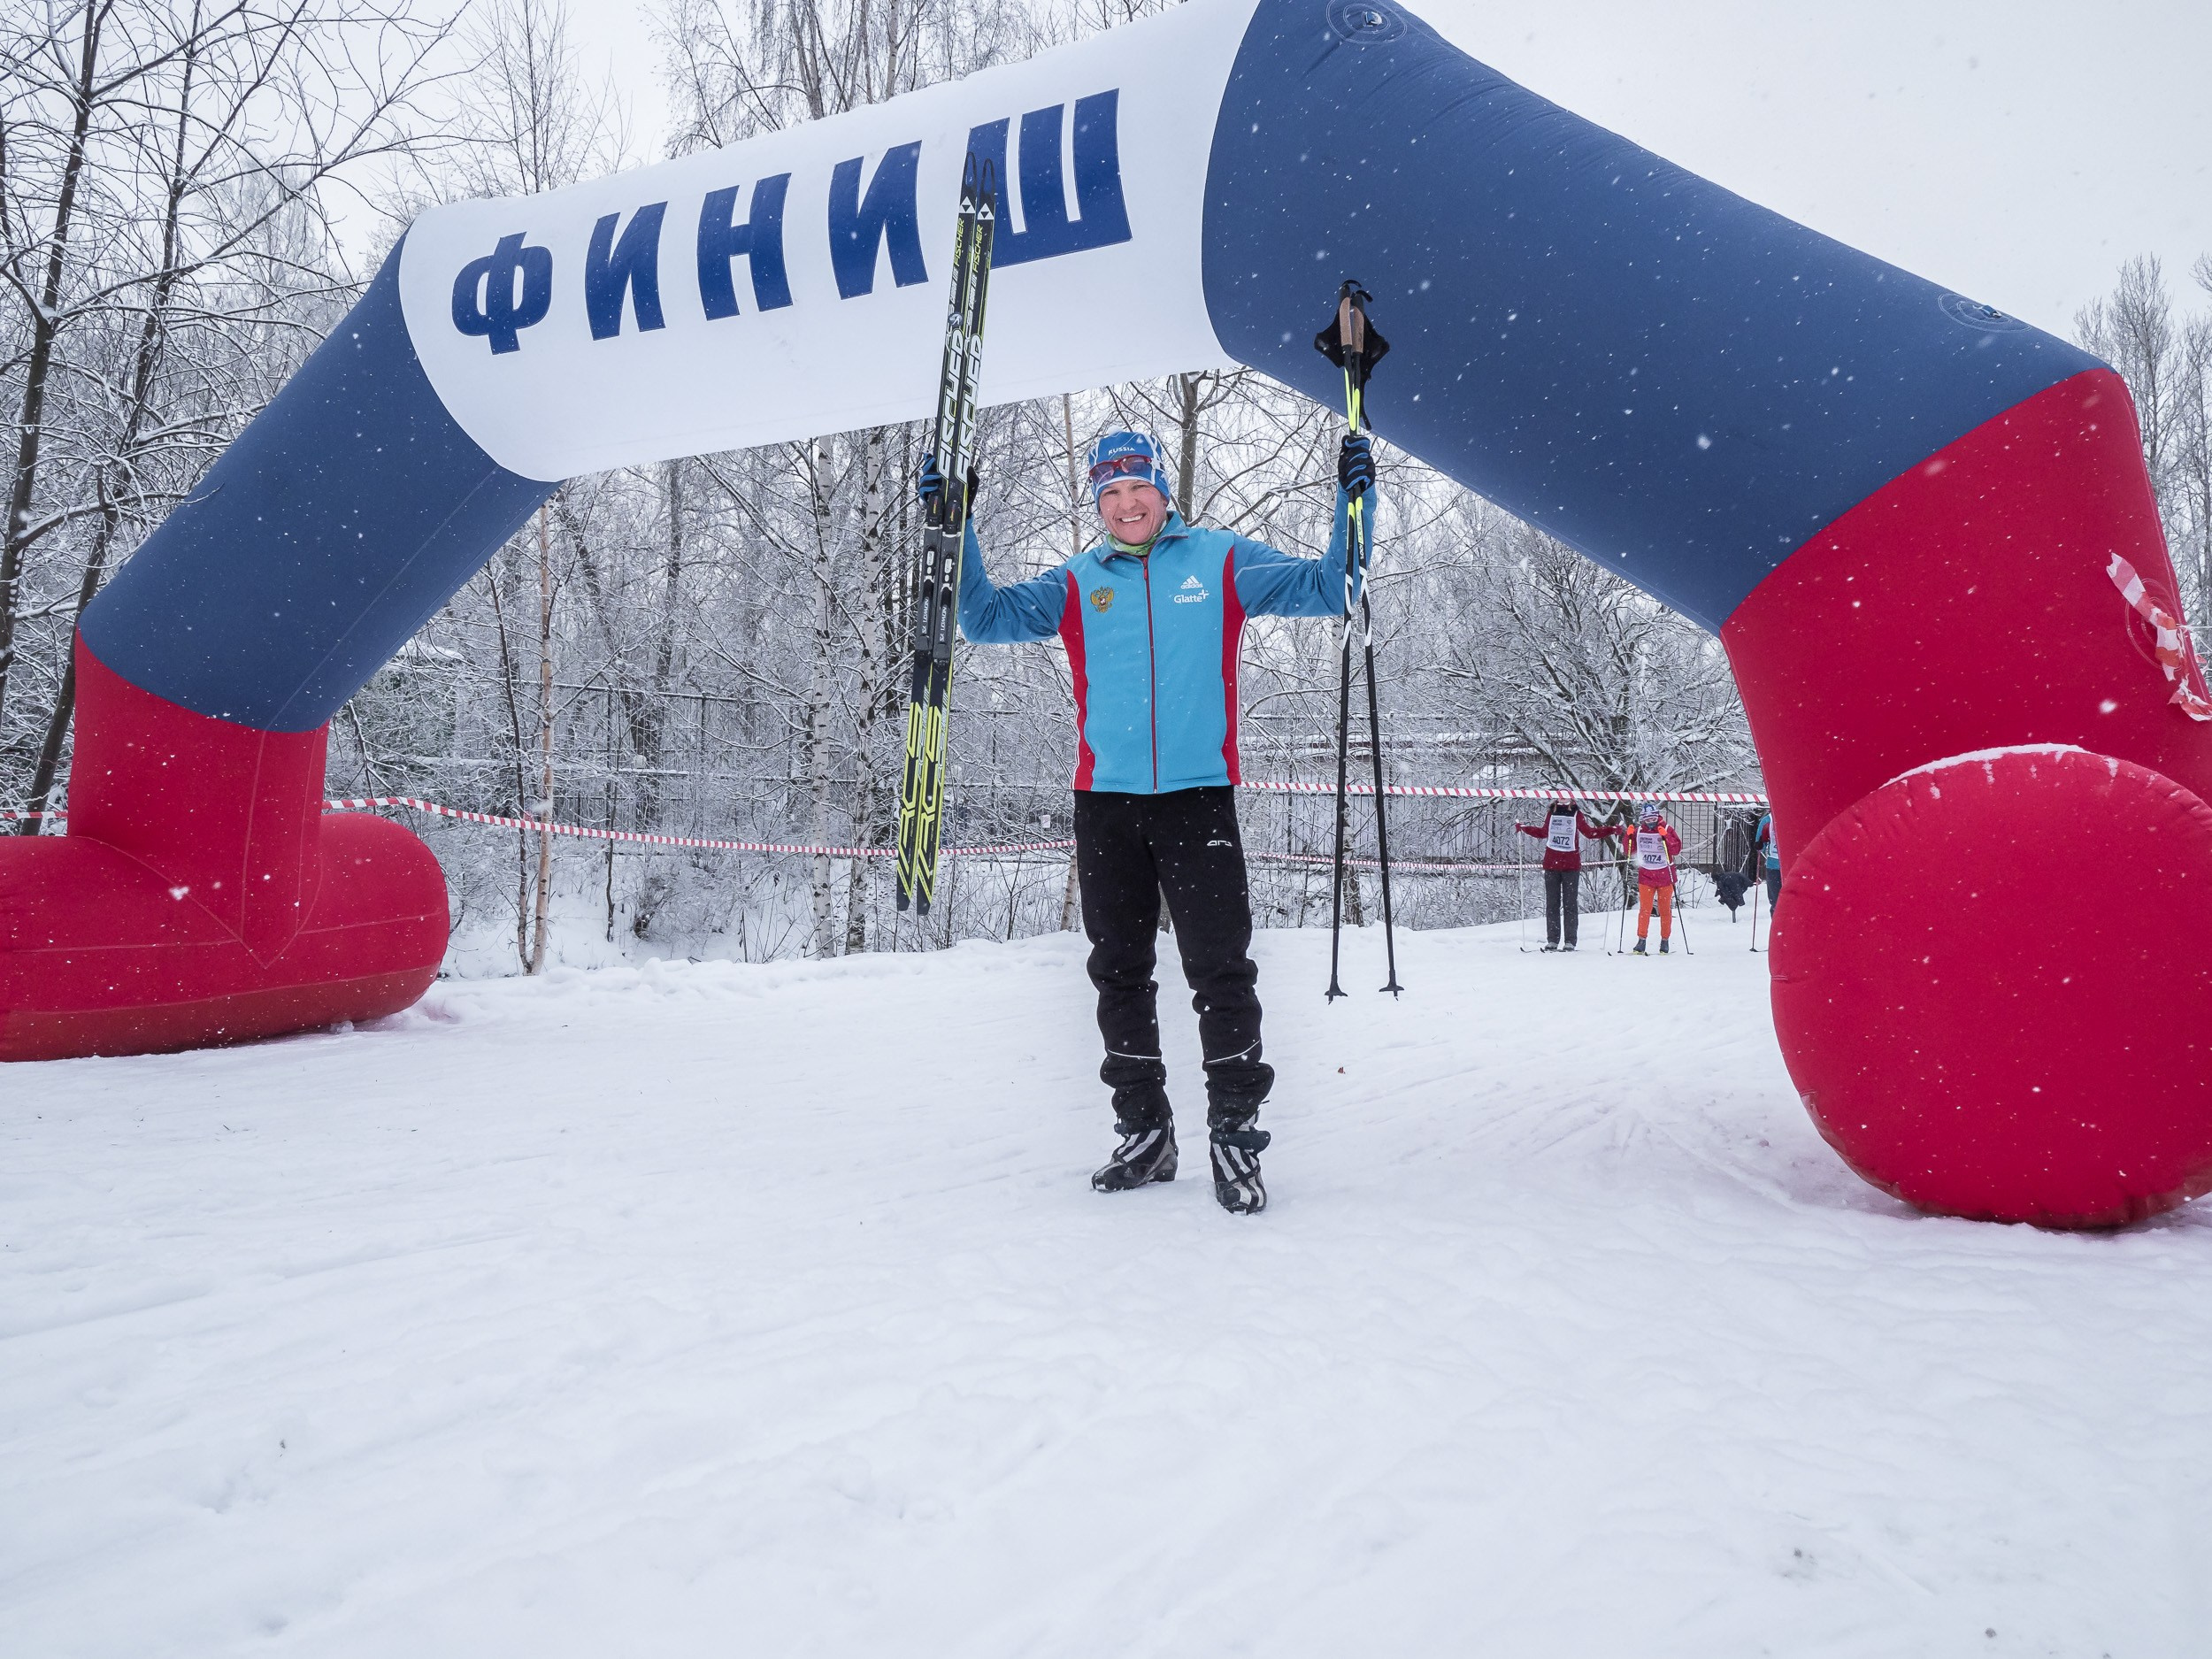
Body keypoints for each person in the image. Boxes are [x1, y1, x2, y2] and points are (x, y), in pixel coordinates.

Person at [924, 427, 1377, 1215]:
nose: (1127, 505)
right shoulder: (1079, 581)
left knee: (1220, 971)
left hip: (1199, 797)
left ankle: (1235, 1137)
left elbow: (1334, 586)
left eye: (1139, 490)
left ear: (1164, 492)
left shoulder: (1221, 561)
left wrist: (1353, 501)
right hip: (1105, 805)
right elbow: (986, 619)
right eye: (1111, 494)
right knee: (1119, 971)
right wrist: (957, 529)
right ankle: (1145, 1130)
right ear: (1098, 503)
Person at [1514, 799, 1605, 950]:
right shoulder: (1552, 812)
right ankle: (1553, 940)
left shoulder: (1576, 813)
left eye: (1566, 796)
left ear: (1571, 798)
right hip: (1551, 866)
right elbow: (1543, 832)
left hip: (1571, 866)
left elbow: (1589, 833)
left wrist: (1611, 830)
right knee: (1552, 905)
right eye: (1560, 796)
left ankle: (1570, 941)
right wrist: (1525, 828)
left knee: (1570, 905)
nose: (1563, 799)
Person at [1624, 801, 1683, 955]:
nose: (1650, 822)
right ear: (1643, 819)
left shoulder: (1667, 829)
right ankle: (1641, 941)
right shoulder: (1638, 831)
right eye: (1647, 819)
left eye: (1653, 818)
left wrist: (1666, 838)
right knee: (1645, 909)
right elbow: (1629, 851)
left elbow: (1676, 849)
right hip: (1646, 876)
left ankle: (1665, 941)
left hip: (1665, 876)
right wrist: (1628, 836)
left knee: (1665, 910)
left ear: (1657, 816)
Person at [1753, 809, 1781, 914]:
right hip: (1775, 866)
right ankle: (1778, 928)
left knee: (1781, 901)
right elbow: (1759, 845)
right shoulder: (1768, 820)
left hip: (1787, 867)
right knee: (1776, 902)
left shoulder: (1795, 817)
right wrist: (1760, 843)